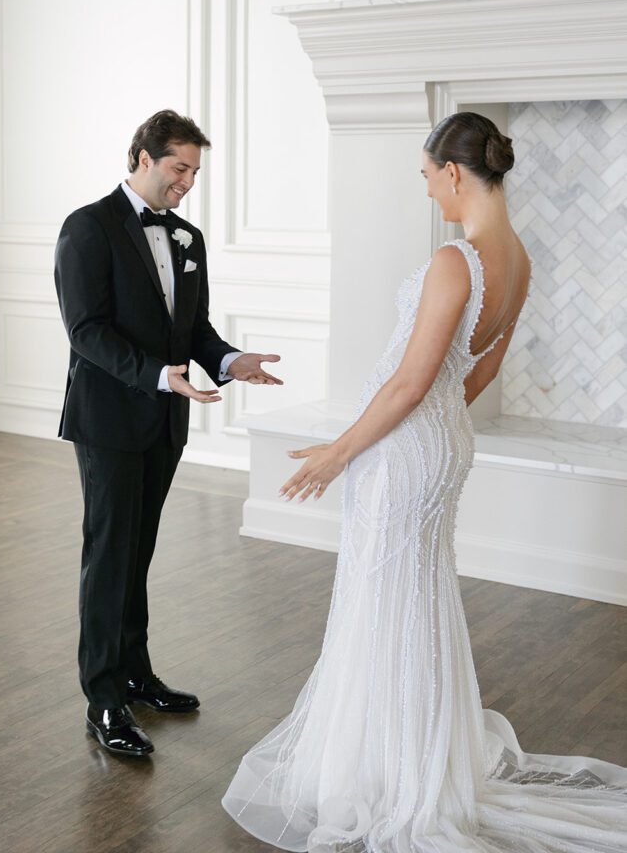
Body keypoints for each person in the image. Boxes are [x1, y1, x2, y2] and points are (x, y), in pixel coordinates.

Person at [222, 112, 627, 851]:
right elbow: (480, 370)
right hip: (440, 445)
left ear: (452, 171)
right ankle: (412, 761)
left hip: (404, 451)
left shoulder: (455, 260)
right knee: (415, 598)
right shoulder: (519, 259)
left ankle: (388, 778)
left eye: (426, 177)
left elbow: (410, 381)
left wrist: (339, 453)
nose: (429, 194)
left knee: (383, 601)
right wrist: (431, 423)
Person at [54, 109, 283, 758]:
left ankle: (135, 673)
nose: (187, 183)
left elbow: (195, 331)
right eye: (179, 168)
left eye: (194, 172)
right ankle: (103, 700)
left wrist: (231, 360)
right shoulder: (88, 227)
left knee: (139, 548)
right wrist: (157, 374)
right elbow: (86, 331)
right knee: (108, 555)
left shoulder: (187, 237)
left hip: (166, 420)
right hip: (108, 419)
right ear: (145, 157)